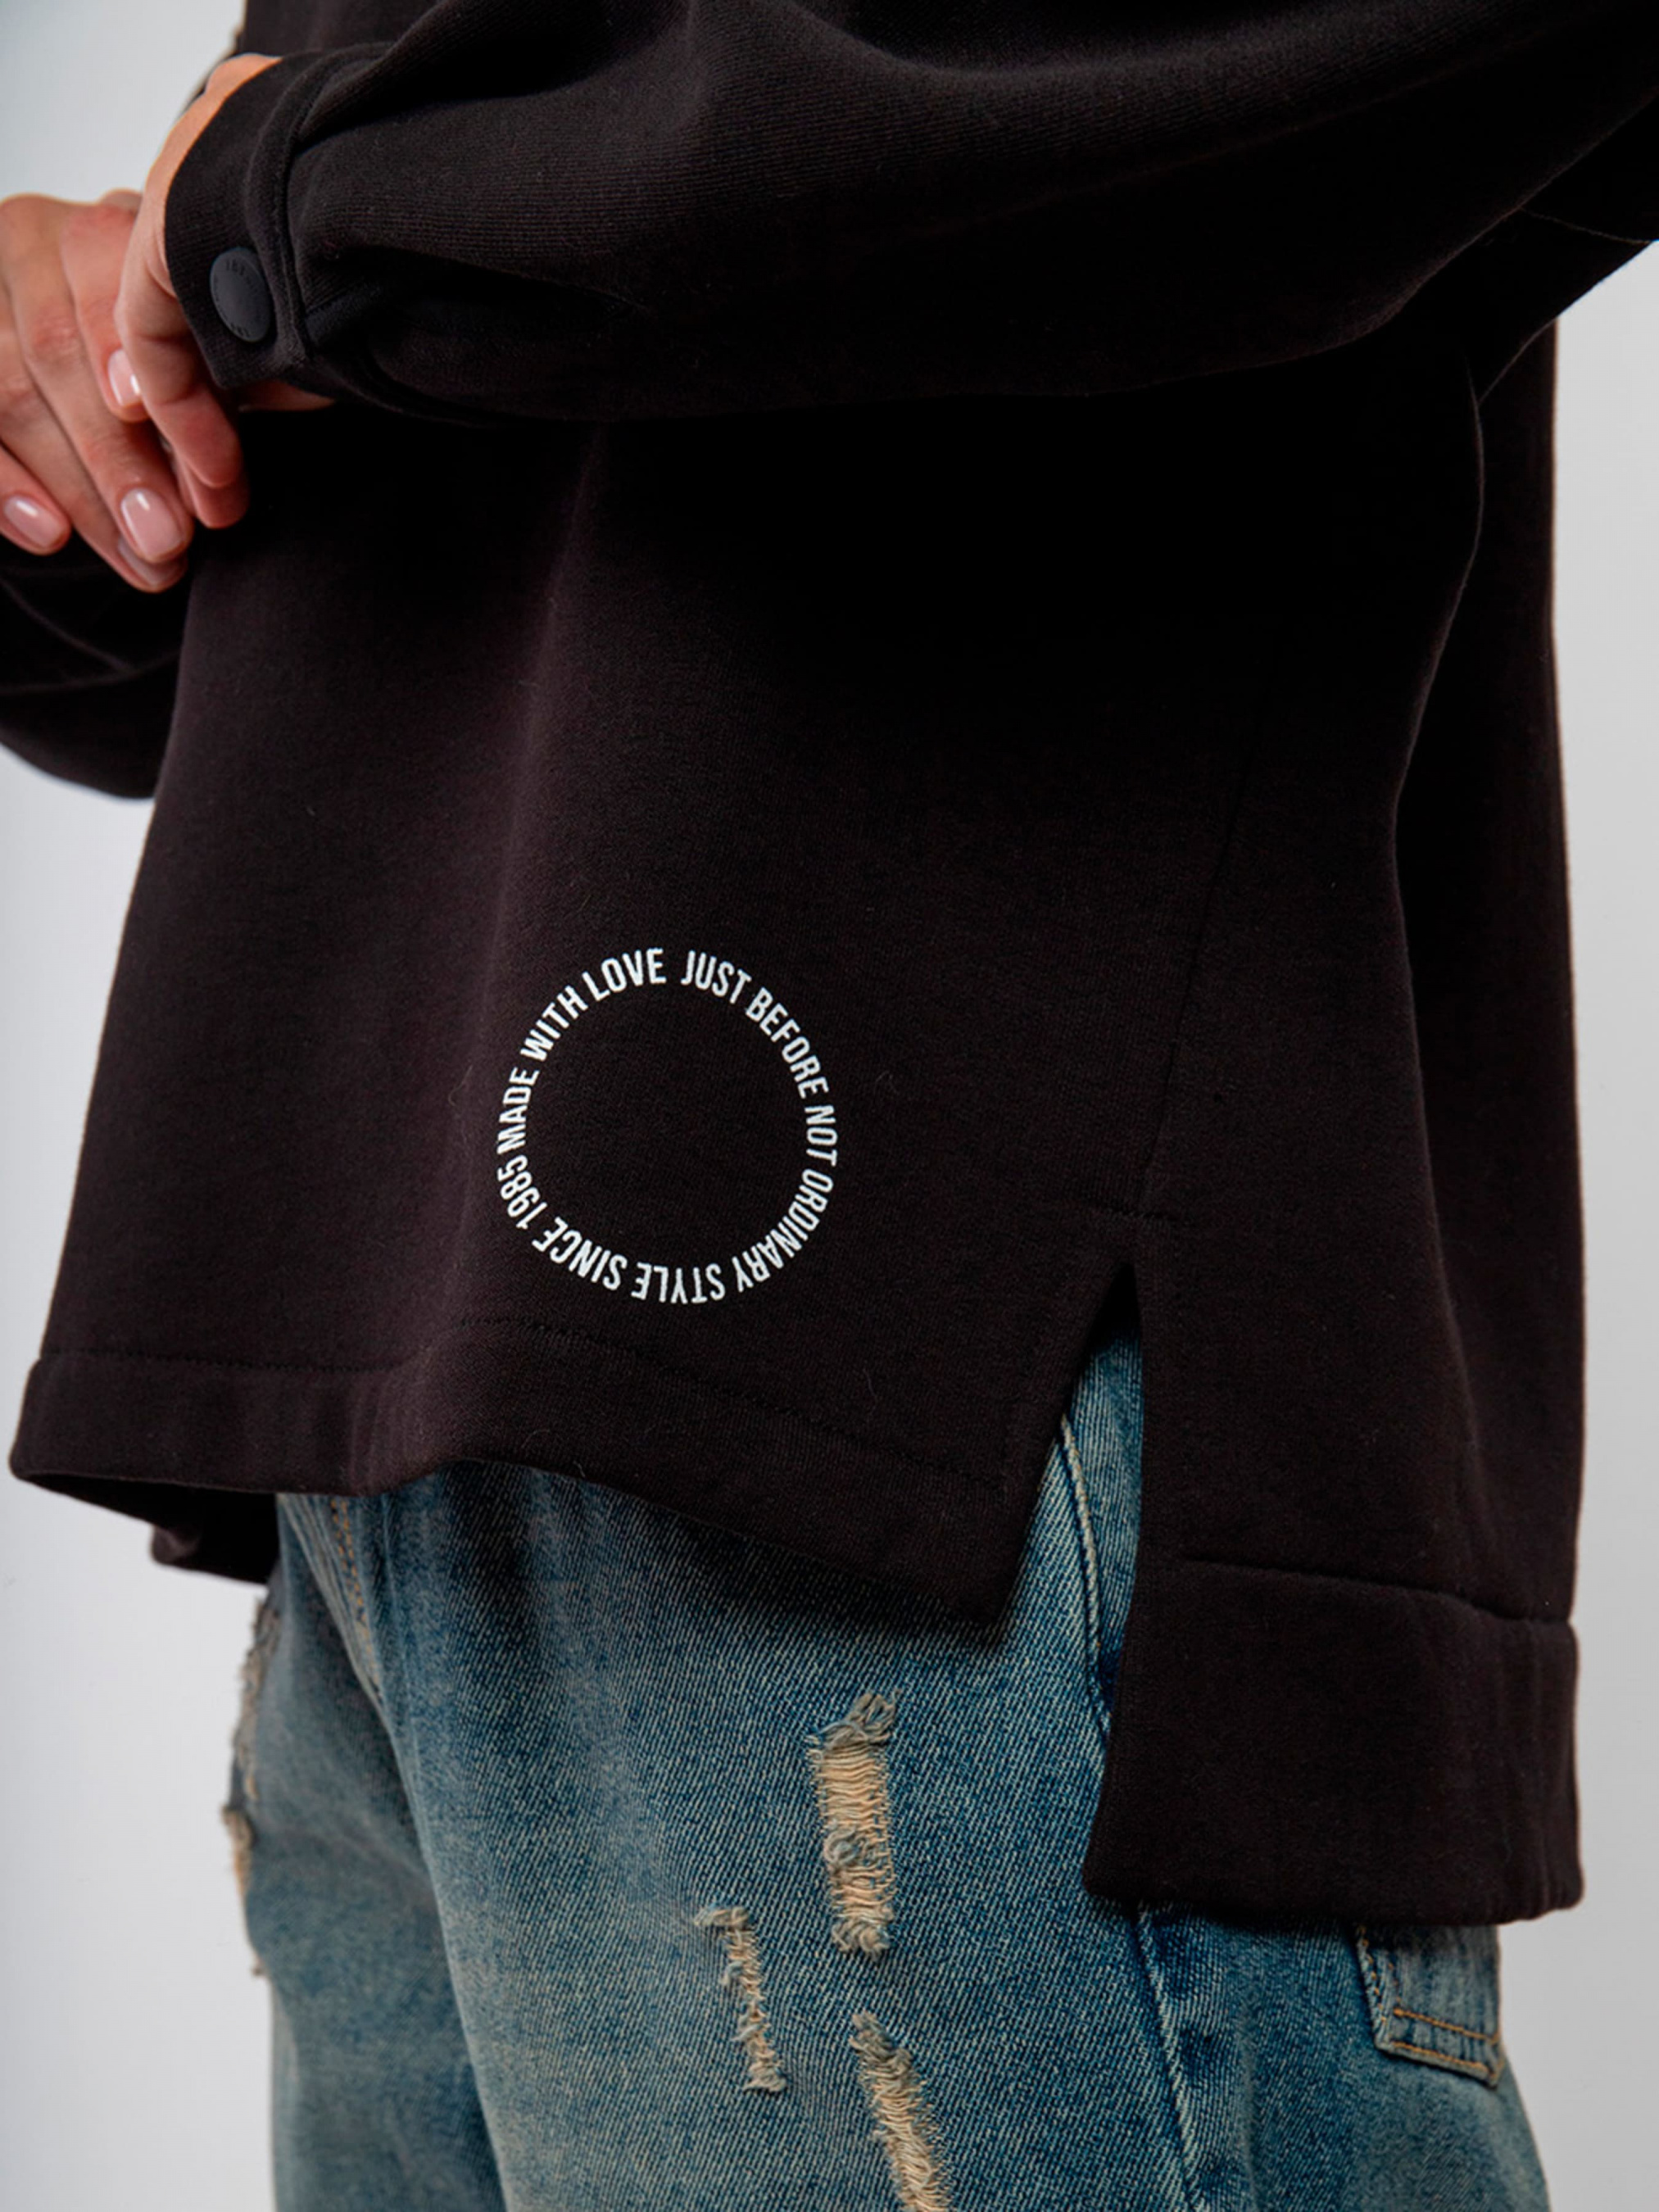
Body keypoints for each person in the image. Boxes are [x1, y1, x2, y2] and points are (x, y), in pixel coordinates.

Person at [4, 4, 1659, 2205]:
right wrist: (86, 381)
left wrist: (306, 209)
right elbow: (382, 409)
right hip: (369, 1475)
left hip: (944, 1397)